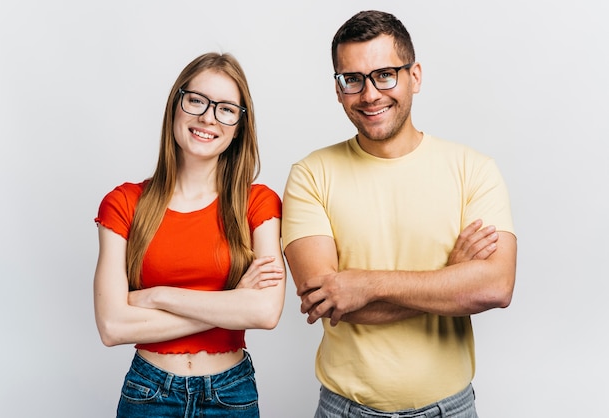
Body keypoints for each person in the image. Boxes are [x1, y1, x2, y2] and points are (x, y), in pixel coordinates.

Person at [281, 10, 517, 418]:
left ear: (415, 76)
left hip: (451, 409)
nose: (370, 94)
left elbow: (495, 287)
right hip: (345, 409)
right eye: (352, 79)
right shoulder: (310, 175)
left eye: (385, 74)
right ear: (338, 90)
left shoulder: (473, 169)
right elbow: (329, 301)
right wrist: (451, 277)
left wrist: (366, 284)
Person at [93, 52, 285, 418]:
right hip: (148, 392)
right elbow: (112, 325)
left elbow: (264, 311)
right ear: (175, 106)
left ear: (240, 126)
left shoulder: (258, 202)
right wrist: (232, 303)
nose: (208, 117)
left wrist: (156, 297)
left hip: (232, 394)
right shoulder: (123, 203)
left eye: (226, 109)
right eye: (196, 100)